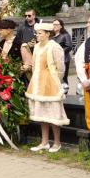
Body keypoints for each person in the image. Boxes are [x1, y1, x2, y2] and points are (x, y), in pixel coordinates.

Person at [26, 23, 69, 152]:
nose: (37, 35)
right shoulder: (37, 47)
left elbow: (61, 67)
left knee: (53, 113)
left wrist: (56, 81)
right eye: (37, 33)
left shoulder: (54, 47)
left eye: (40, 33)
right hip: (38, 82)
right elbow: (34, 65)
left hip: (50, 82)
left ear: (47, 34)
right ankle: (44, 142)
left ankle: (57, 143)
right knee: (41, 114)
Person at [75, 13, 90, 136]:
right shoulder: (88, 41)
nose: (87, 24)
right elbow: (79, 60)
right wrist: (84, 79)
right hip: (88, 82)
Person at [52, 19, 73, 85]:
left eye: (56, 24)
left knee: (63, 78)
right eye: (53, 24)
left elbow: (69, 46)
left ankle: (65, 93)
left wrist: (58, 53)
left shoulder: (65, 35)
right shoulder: (51, 36)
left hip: (63, 60)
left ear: (61, 26)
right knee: (54, 78)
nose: (54, 26)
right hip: (53, 60)